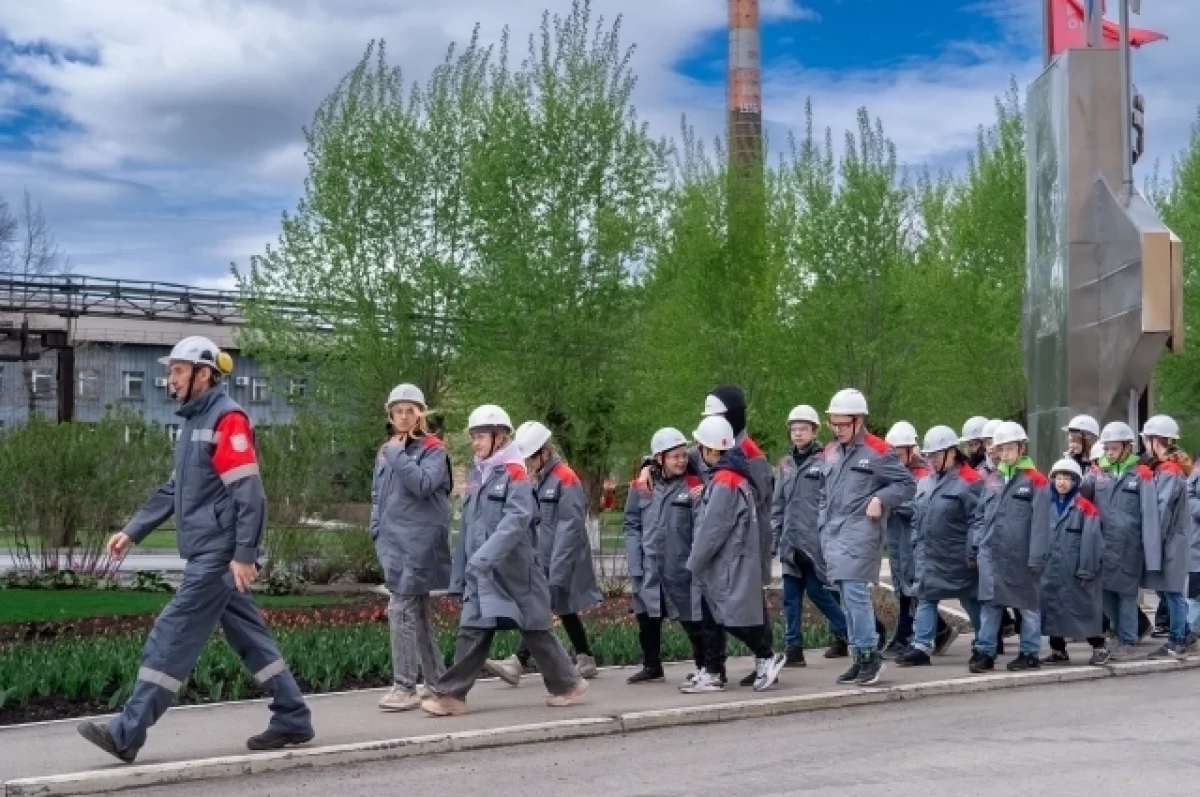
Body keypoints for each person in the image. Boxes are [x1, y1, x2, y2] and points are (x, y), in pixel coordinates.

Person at [77, 336, 314, 762]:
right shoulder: (193, 422)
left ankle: (126, 733)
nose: (170, 379)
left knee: (173, 632)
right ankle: (293, 715)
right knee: (251, 637)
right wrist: (133, 530)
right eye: (172, 371)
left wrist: (245, 553)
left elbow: (249, 493)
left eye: (179, 371)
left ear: (204, 374)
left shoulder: (227, 420)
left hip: (219, 555)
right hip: (212, 549)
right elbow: (176, 488)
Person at [421, 405, 586, 716]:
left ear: (500, 437)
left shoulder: (516, 474)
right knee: (473, 627)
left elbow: (516, 520)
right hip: (483, 572)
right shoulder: (478, 474)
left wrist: (484, 558)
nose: (475, 442)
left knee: (535, 629)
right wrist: (463, 571)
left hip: (515, 571)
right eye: (474, 436)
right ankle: (452, 695)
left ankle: (567, 683)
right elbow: (469, 527)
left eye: (481, 436)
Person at [485, 421, 602, 685]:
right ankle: (585, 657)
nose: (525, 464)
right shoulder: (537, 477)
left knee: (540, 608)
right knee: (563, 608)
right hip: (544, 557)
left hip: (564, 559)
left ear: (544, 453)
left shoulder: (565, 478)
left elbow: (570, 527)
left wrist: (557, 570)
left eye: (529, 459)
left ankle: (517, 662)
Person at [820, 388, 916, 686]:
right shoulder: (832, 450)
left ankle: (870, 656)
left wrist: (881, 499)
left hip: (861, 531)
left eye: (843, 424)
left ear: (858, 421)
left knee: (855, 594)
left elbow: (907, 484)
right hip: (834, 533)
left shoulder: (877, 450)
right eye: (833, 424)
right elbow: (824, 490)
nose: (837, 430)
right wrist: (822, 521)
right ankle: (859, 656)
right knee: (847, 598)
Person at [683, 415, 786, 694]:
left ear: (710, 450)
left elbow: (713, 528)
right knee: (712, 616)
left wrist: (695, 561)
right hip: (728, 560)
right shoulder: (731, 476)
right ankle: (714, 672)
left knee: (726, 616)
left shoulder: (725, 480)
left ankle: (766, 655)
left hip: (725, 562)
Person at [372, 383, 454, 712]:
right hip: (394, 542)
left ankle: (404, 686)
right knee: (418, 614)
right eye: (398, 411)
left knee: (400, 608)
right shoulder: (385, 450)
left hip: (420, 542)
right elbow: (378, 494)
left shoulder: (433, 449)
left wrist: (397, 453)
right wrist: (375, 528)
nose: (404, 417)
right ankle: (438, 682)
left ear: (420, 413)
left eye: (410, 411)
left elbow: (422, 485)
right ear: (390, 414)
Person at [623, 427, 712, 684]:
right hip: (649, 567)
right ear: (660, 459)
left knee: (691, 620)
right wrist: (635, 563)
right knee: (646, 618)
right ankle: (652, 666)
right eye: (675, 457)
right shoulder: (641, 486)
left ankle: (705, 666)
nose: (681, 461)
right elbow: (631, 524)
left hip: (680, 567)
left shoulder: (694, 485)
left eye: (684, 455)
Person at [968, 421, 1051, 673]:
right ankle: (985, 651)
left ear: (1022, 448)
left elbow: (1041, 524)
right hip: (993, 555)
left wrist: (1037, 557)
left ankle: (1029, 652)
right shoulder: (993, 479)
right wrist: (977, 544)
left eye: (1009, 448)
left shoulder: (1036, 481)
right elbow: (980, 515)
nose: (1004, 454)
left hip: (1022, 557)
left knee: (1027, 606)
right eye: (1001, 449)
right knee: (990, 605)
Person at [896, 426, 982, 668]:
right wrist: (915, 540)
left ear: (951, 452)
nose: (931, 460)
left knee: (970, 598)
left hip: (958, 555)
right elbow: (916, 514)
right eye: (928, 455)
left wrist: (973, 549)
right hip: (929, 553)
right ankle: (921, 646)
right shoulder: (925, 482)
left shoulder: (971, 480)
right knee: (926, 596)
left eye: (935, 455)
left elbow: (978, 519)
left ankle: (985, 640)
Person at [772, 404, 849, 666]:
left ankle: (850, 632)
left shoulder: (827, 460)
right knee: (790, 598)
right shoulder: (785, 465)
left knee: (819, 592)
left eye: (803, 429)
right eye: (794, 429)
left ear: (815, 431)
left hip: (815, 542)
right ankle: (793, 647)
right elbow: (778, 504)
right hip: (790, 543)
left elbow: (836, 499)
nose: (798, 434)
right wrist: (774, 536)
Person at [1084, 421, 1159, 660]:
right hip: (1103, 544)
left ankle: (1128, 639)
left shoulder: (1142, 474)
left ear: (1127, 447)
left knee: (1127, 595)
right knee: (1105, 594)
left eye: (1114, 448)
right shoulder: (1098, 475)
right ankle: (1119, 633)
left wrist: (1150, 548)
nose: (1109, 453)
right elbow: (1083, 497)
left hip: (1129, 545)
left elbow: (1149, 514)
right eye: (1106, 448)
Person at [1039, 458, 1107, 666]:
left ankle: (1099, 647)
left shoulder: (1086, 508)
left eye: (1067, 479)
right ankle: (1058, 650)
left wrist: (1087, 570)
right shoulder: (1044, 505)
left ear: (1076, 482)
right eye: (1058, 478)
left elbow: (1092, 542)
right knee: (1051, 609)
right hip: (1050, 570)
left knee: (1081, 612)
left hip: (1075, 571)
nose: (1062, 483)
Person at [1140, 415, 1193, 660]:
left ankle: (1177, 640)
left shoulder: (1169, 470)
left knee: (1172, 591)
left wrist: (1151, 541)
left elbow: (1161, 509)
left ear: (1155, 440)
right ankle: (1183, 634)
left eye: (1147, 440)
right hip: (1172, 538)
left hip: (1170, 540)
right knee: (1167, 590)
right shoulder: (1167, 468)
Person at [880, 421, 934, 658]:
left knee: (913, 585)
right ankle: (915, 632)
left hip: (912, 536)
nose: (895, 458)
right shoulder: (894, 472)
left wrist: (891, 501)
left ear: (911, 451)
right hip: (896, 534)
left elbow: (919, 506)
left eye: (899, 454)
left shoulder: (922, 474)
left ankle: (906, 635)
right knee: (901, 584)